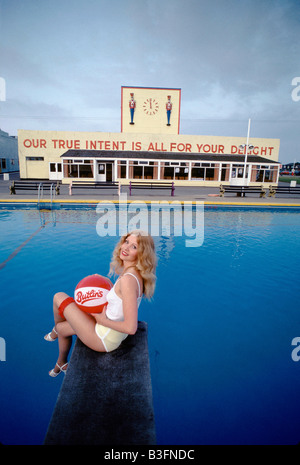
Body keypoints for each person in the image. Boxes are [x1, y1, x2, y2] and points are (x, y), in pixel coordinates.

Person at [44, 231, 157, 377]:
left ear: (142, 253)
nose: (126, 247)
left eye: (134, 246)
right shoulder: (134, 274)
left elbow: (131, 327)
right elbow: (121, 298)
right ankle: (61, 363)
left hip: (104, 338)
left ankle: (55, 333)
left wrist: (102, 320)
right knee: (62, 329)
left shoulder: (128, 280)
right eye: (127, 241)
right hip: (113, 332)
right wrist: (107, 282)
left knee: (58, 297)